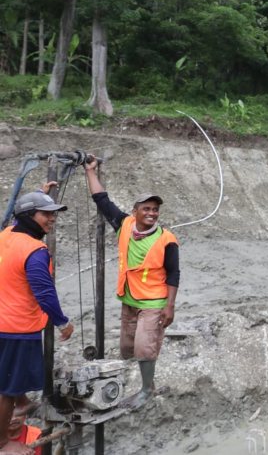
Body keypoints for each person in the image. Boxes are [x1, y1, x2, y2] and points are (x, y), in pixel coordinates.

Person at [82, 158, 179, 410]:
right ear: (135, 211)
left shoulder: (167, 239)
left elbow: (173, 273)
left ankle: (147, 390)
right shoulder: (124, 224)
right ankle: (132, 382)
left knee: (144, 348)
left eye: (155, 210)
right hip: (129, 299)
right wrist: (90, 171)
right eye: (146, 209)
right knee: (127, 348)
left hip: (154, 301)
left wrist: (170, 306)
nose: (151, 213)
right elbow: (102, 200)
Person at [0, 191, 74, 454]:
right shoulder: (35, 251)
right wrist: (62, 322)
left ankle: (21, 402)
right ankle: (3, 441)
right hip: (17, 328)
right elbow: (44, 292)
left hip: (2, 321)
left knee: (6, 375)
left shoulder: (7, 234)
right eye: (46, 214)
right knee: (8, 386)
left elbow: (18, 217)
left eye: (53, 214)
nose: (52, 219)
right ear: (29, 216)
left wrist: (41, 193)